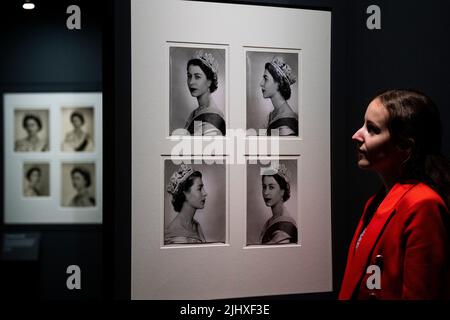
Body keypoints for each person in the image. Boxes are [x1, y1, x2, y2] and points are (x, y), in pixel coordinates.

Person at [339, 89, 450, 300]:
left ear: (405, 146)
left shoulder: (422, 205)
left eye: (372, 129)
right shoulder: (377, 202)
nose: (356, 135)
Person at [183, 50, 226, 136]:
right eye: (189, 76)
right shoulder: (196, 112)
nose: (191, 82)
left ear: (209, 81)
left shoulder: (213, 118)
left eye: (197, 77)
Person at [165, 164, 207, 244]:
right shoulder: (173, 236)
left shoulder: (196, 225)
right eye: (199, 188)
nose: (205, 193)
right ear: (185, 193)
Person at [260, 56, 298, 136]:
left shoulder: (286, 125)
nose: (261, 83)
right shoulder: (272, 115)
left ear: (279, 84)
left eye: (266, 79)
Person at [260, 164, 297, 244]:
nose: (266, 193)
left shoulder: (286, 225)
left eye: (271, 187)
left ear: (282, 191)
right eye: (264, 187)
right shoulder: (271, 221)